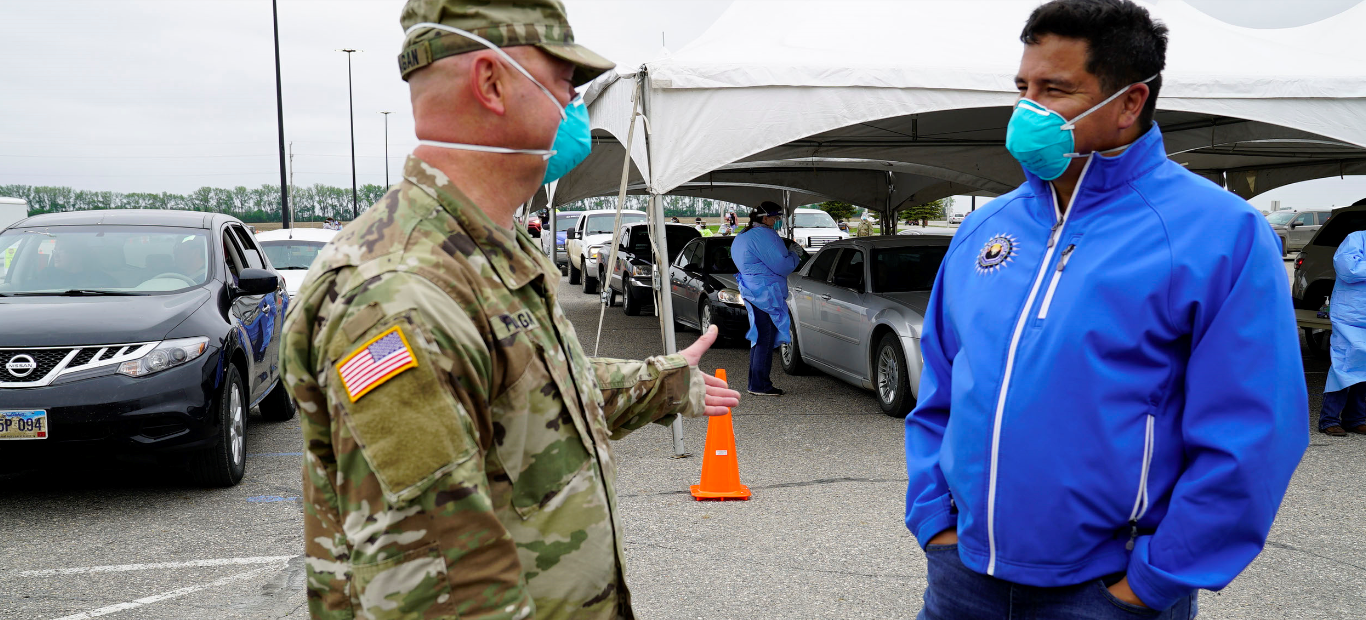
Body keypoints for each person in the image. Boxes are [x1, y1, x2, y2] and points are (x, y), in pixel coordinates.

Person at [280, 2, 741, 618]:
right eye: (562, 79)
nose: (573, 101)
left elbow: (536, 400)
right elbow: (443, 588)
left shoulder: (485, 247)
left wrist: (665, 381)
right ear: (492, 83)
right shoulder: (399, 294)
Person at [905, 1, 1307, 617]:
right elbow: (942, 382)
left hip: (1106, 591)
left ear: (1128, 102)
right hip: (965, 576)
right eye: (1023, 88)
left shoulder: (1219, 233)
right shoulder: (986, 227)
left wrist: (1154, 580)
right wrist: (935, 518)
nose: (1026, 111)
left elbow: (1252, 430)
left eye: (1055, 90)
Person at [730, 202, 802, 396]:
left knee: (759, 336)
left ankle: (755, 382)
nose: (776, 220)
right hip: (765, 293)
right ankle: (760, 384)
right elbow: (783, 265)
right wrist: (795, 255)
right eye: (775, 217)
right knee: (764, 338)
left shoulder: (743, 235)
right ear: (764, 218)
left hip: (751, 290)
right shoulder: (765, 236)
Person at [1319, 230, 1366, 437]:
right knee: (1343, 363)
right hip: (1350, 315)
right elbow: (1348, 269)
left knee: (1363, 365)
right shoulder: (1356, 238)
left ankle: (1356, 418)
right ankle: (1329, 419)